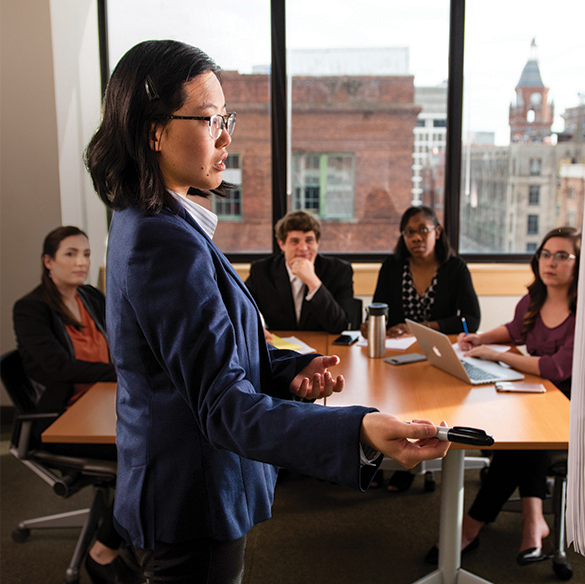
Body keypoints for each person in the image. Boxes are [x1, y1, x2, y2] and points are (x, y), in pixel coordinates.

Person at [84, 39, 449, 583]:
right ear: (153, 131)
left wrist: (283, 368)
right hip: (192, 493)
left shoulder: (156, 221)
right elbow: (221, 403)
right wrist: (360, 431)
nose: (227, 136)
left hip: (187, 483)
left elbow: (201, 356)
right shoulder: (162, 240)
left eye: (226, 117)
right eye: (210, 120)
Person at [424, 226, 581, 566]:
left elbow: (556, 369)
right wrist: (481, 339)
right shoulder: (533, 300)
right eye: (545, 254)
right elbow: (513, 330)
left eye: (562, 256)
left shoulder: (583, 312)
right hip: (538, 392)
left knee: (518, 442)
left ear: (579, 263)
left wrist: (498, 355)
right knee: (519, 432)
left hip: (571, 403)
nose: (550, 262)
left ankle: (470, 527)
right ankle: (533, 518)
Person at [13, 226, 141, 584]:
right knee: (143, 455)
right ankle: (103, 551)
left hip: (104, 402)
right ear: (48, 262)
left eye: (86, 253)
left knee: (158, 440)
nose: (81, 262)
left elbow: (121, 335)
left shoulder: (89, 296)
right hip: (62, 419)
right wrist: (120, 371)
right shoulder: (30, 309)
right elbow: (58, 367)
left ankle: (130, 530)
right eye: (70, 254)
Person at [363, 205, 481, 492]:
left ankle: (411, 464)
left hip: (435, 355)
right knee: (387, 400)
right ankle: (383, 458)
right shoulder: (392, 266)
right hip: (397, 354)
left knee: (423, 406)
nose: (416, 238)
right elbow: (380, 307)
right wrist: (373, 324)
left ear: (437, 233)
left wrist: (425, 326)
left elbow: (472, 318)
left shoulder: (455, 268)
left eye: (423, 231)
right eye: (409, 232)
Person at [246, 210, 354, 334]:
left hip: (324, 346)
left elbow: (340, 326)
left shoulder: (339, 270)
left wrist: (313, 281)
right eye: (294, 241)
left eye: (309, 240)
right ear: (282, 244)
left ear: (317, 243)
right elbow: (241, 309)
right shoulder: (261, 271)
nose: (303, 248)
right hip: (280, 347)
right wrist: (257, 328)